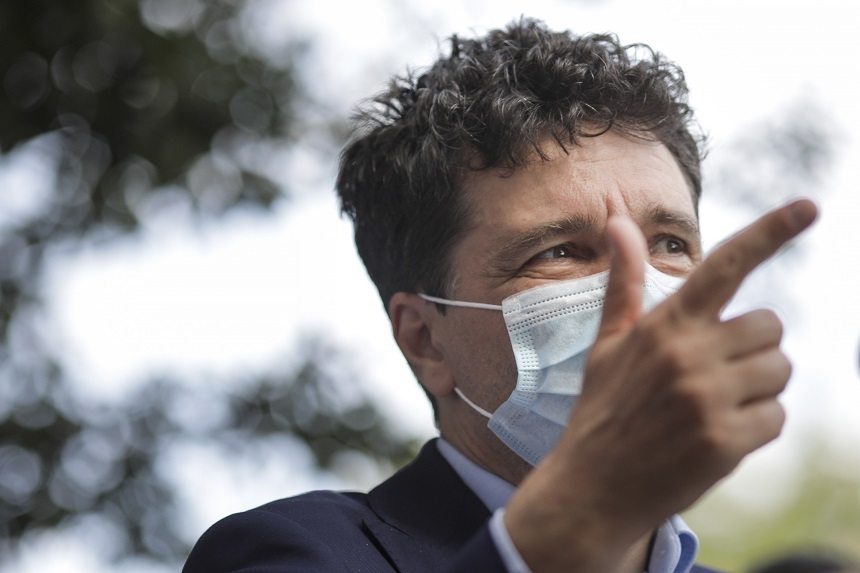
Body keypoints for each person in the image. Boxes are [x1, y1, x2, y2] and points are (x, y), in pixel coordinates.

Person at [183, 18, 818, 573]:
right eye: (559, 252)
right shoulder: (291, 552)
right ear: (425, 340)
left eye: (671, 243)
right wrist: (576, 524)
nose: (641, 289)